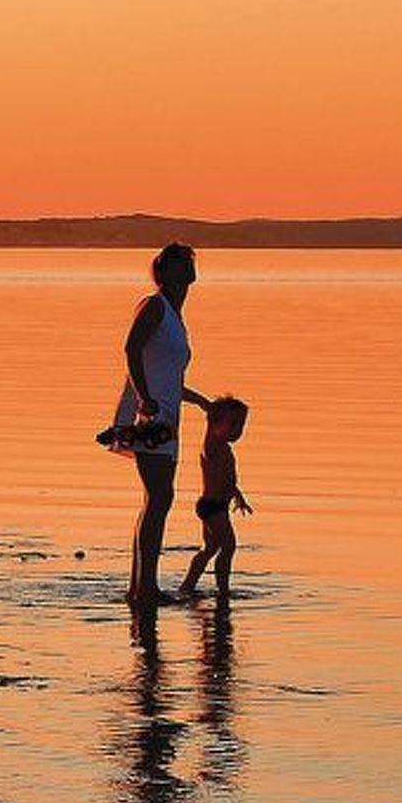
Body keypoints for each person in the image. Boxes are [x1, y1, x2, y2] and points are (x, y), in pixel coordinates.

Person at [105, 243, 212, 612]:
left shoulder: (175, 317)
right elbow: (131, 350)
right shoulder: (154, 307)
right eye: (180, 263)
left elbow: (166, 375)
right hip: (151, 418)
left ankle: (141, 586)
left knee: (157, 500)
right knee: (159, 498)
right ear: (163, 272)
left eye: (189, 263)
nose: (187, 269)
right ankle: (145, 588)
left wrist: (199, 401)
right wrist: (144, 398)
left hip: (169, 416)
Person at [178, 396, 251, 605]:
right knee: (229, 545)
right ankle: (223, 590)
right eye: (233, 424)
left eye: (241, 425)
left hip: (218, 507)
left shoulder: (226, 449)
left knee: (210, 549)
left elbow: (227, 479)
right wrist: (209, 412)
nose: (237, 430)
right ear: (214, 424)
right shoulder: (212, 445)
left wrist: (238, 496)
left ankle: (187, 586)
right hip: (211, 507)